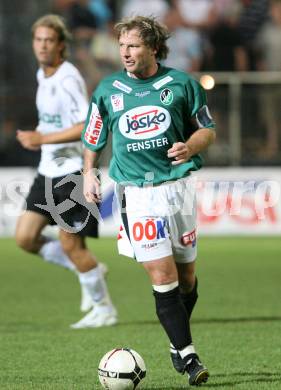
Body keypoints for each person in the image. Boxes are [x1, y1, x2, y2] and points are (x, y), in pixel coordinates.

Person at [82, 15, 216, 386]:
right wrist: (90, 172)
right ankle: (189, 357)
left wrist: (190, 146)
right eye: (122, 45)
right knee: (163, 275)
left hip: (178, 189)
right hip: (137, 195)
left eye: (133, 46)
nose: (125, 52)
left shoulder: (182, 84)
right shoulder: (108, 89)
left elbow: (207, 129)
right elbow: (93, 135)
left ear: (153, 48)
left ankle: (177, 342)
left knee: (187, 279)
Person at [15, 14, 117, 329]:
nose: (43, 46)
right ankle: (88, 269)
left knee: (73, 246)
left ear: (61, 45)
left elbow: (87, 125)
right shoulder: (42, 75)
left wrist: (42, 137)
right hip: (48, 171)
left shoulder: (67, 77)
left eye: (49, 40)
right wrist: (42, 135)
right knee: (25, 237)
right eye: (38, 40)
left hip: (73, 172)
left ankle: (104, 309)